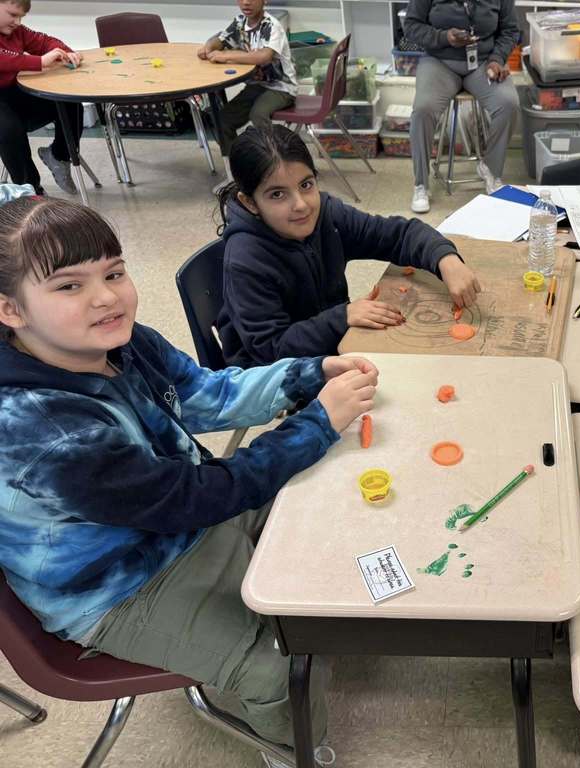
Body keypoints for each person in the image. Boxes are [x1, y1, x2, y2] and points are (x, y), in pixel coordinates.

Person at [0, 196, 377, 766]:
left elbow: (207, 394)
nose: (106, 296)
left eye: (114, 272)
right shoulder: (43, 428)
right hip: (119, 587)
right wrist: (317, 423)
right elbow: (192, 500)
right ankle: (289, 750)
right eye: (68, 286)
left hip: (180, 514)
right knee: (280, 665)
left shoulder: (120, 341)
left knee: (324, 499)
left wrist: (309, 373)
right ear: (10, 310)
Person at [216, 125, 480, 367]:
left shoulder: (326, 215)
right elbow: (271, 350)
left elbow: (398, 235)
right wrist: (341, 318)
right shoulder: (245, 259)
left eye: (306, 185)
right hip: (276, 373)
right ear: (250, 203)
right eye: (277, 194)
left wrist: (445, 259)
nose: (301, 204)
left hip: (332, 340)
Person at [403, 0, 519, 213]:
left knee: (508, 103)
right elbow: (411, 26)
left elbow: (510, 30)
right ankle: (421, 184)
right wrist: (443, 37)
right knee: (423, 109)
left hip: (484, 63)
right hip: (439, 61)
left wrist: (497, 58)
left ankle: (490, 168)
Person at [197, 0, 297, 163]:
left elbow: (264, 56)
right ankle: (235, 170)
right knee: (222, 120)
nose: (246, 3)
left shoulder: (271, 25)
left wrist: (227, 55)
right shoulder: (239, 23)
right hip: (256, 87)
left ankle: (273, 163)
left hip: (281, 88)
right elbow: (220, 39)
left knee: (258, 114)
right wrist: (208, 48)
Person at [0, 0, 83, 195]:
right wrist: (41, 61)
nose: (18, 22)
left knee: (70, 103)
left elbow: (45, 42)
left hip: (13, 93)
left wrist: (66, 52)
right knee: (8, 130)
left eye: (21, 17)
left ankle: (58, 156)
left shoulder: (16, 31)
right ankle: (31, 191)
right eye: (12, 15)